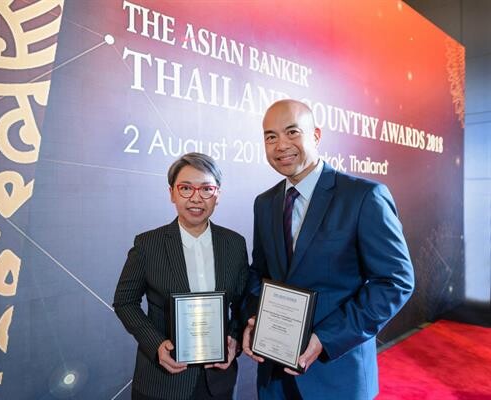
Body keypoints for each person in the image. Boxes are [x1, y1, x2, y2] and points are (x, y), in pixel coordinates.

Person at [241, 99, 415, 399]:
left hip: (337, 374)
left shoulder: (364, 197)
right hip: (274, 375)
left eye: (292, 132)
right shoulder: (264, 203)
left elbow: (395, 282)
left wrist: (324, 338)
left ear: (316, 135)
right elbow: (260, 272)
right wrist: (254, 319)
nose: (281, 145)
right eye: (270, 137)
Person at [114, 152, 249, 400]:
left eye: (206, 189)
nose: (196, 198)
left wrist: (233, 339)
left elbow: (243, 302)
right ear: (172, 193)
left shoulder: (234, 244)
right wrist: (155, 344)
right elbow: (124, 302)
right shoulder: (148, 244)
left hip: (217, 381)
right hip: (162, 380)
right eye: (186, 188)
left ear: (217, 195)